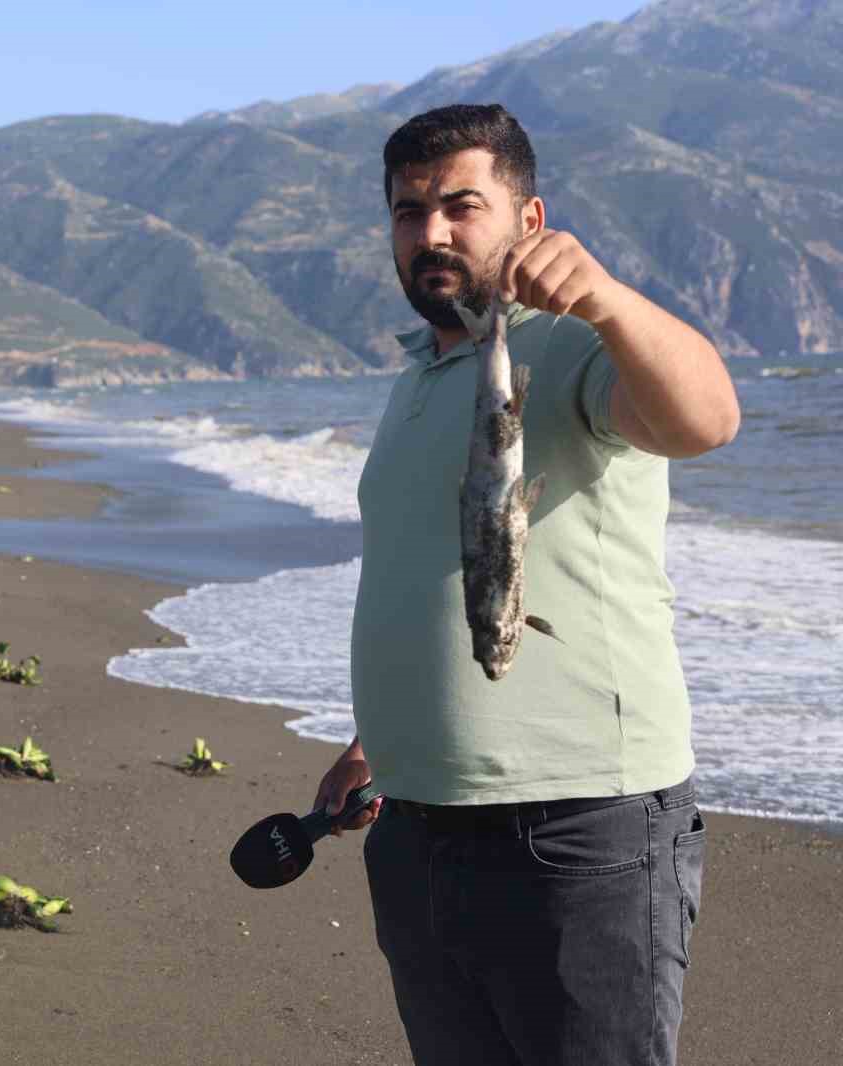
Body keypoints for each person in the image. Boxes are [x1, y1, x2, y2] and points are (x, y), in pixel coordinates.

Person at [314, 104, 740, 1066]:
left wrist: (612, 302)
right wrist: (375, 742)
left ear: (530, 218)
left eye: (462, 205)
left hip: (580, 831)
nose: (431, 232)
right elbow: (438, 565)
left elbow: (707, 419)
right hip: (418, 827)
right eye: (408, 210)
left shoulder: (579, 346)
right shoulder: (423, 369)